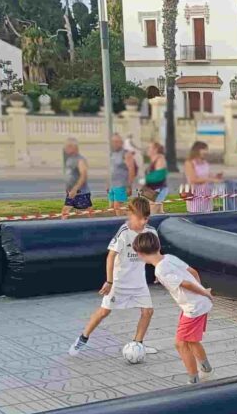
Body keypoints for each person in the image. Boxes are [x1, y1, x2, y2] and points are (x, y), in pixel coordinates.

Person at [69, 196, 158, 356]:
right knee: (104, 311)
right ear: (130, 215)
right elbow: (110, 257)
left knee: (148, 311)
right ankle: (82, 338)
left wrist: (159, 269)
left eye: (146, 218)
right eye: (140, 219)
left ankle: (138, 344)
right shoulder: (124, 232)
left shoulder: (151, 232)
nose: (143, 222)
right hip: (120, 282)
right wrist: (109, 281)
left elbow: (156, 252)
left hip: (139, 283)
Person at [133, 231, 215, 385]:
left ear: (140, 254)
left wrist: (203, 292)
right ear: (158, 247)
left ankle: (194, 380)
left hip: (194, 308)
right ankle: (206, 367)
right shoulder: (169, 258)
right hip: (199, 304)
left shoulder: (160, 270)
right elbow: (192, 272)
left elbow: (186, 284)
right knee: (191, 340)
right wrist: (202, 291)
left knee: (180, 343)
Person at [183, 141, 222, 214]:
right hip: (195, 195)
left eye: (207, 149)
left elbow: (208, 175)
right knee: (196, 215)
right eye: (204, 149)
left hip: (206, 194)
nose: (206, 151)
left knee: (207, 215)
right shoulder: (189, 163)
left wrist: (216, 176)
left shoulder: (205, 163)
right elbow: (193, 179)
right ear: (197, 150)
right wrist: (210, 179)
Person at [108, 133, 137, 214]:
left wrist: (129, 186)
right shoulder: (113, 153)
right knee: (111, 208)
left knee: (118, 208)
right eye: (113, 141)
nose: (115, 143)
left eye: (117, 141)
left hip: (121, 185)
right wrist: (108, 184)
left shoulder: (126, 154)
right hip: (112, 185)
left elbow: (132, 170)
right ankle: (132, 216)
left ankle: (129, 220)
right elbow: (112, 169)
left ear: (121, 143)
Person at [62, 138, 91, 216]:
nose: (66, 148)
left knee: (88, 212)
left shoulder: (80, 159)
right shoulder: (69, 159)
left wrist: (75, 189)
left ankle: (95, 226)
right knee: (65, 211)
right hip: (71, 192)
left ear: (74, 147)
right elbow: (69, 175)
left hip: (81, 192)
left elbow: (83, 176)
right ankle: (63, 227)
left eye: (68, 146)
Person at [143, 142, 169, 214]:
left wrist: (146, 179)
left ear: (155, 149)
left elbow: (159, 176)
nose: (147, 149)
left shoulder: (160, 159)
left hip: (158, 189)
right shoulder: (154, 159)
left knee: (152, 214)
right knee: (158, 212)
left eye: (149, 148)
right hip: (151, 189)